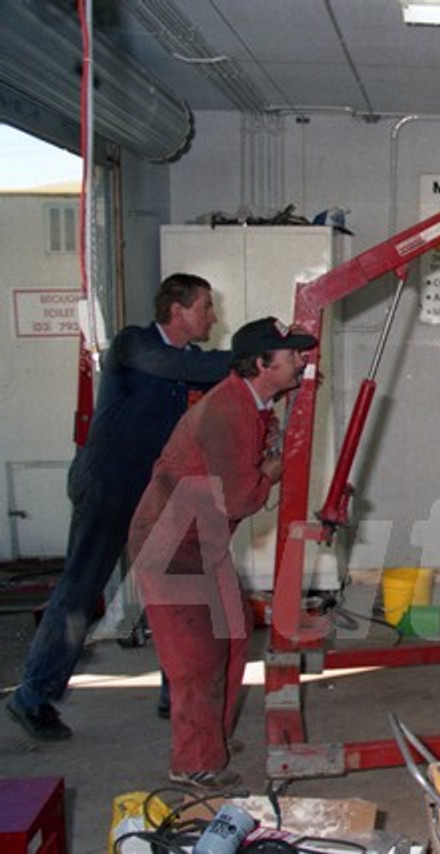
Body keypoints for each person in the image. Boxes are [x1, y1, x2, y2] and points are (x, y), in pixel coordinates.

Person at [6, 274, 232, 741]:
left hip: (154, 488)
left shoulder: (189, 361)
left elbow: (220, 386)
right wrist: (253, 353)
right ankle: (30, 696)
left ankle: (178, 694)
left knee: (176, 587)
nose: (212, 316)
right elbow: (187, 367)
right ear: (178, 309)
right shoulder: (134, 345)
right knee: (81, 589)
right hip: (107, 482)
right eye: (206, 307)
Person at [127, 317, 316, 790]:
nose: (301, 360)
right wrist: (272, 472)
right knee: (198, 659)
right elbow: (239, 499)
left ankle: (211, 746)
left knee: (232, 639)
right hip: (170, 544)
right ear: (260, 364)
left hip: (202, 538)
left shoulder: (251, 402)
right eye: (292, 354)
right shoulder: (227, 411)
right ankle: (193, 762)